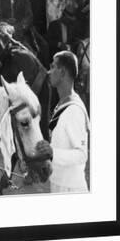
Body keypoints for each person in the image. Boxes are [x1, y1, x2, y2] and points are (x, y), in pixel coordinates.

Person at [36, 51, 90, 193]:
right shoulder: (60, 104)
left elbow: (82, 154)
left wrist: (53, 152)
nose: (49, 72)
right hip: (58, 184)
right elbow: (60, 144)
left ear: (63, 72)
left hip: (71, 189)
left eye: (53, 67)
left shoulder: (74, 109)